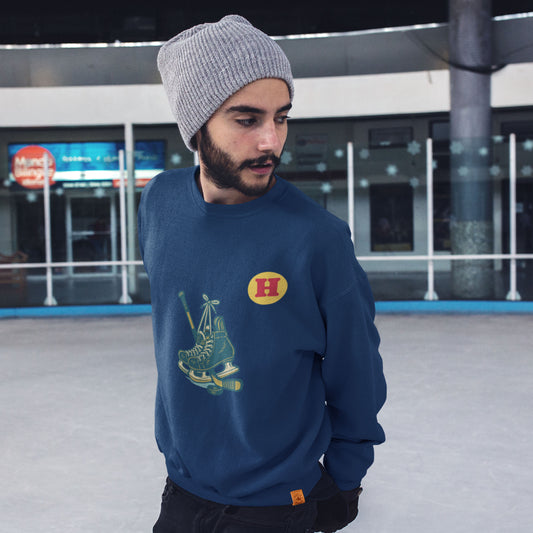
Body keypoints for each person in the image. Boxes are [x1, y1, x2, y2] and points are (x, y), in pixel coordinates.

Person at [138, 14, 386, 533]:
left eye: (282, 117)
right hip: (180, 490)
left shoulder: (316, 238)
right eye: (247, 120)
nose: (271, 141)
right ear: (197, 126)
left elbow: (356, 371)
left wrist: (347, 477)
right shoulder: (160, 203)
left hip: (275, 505)